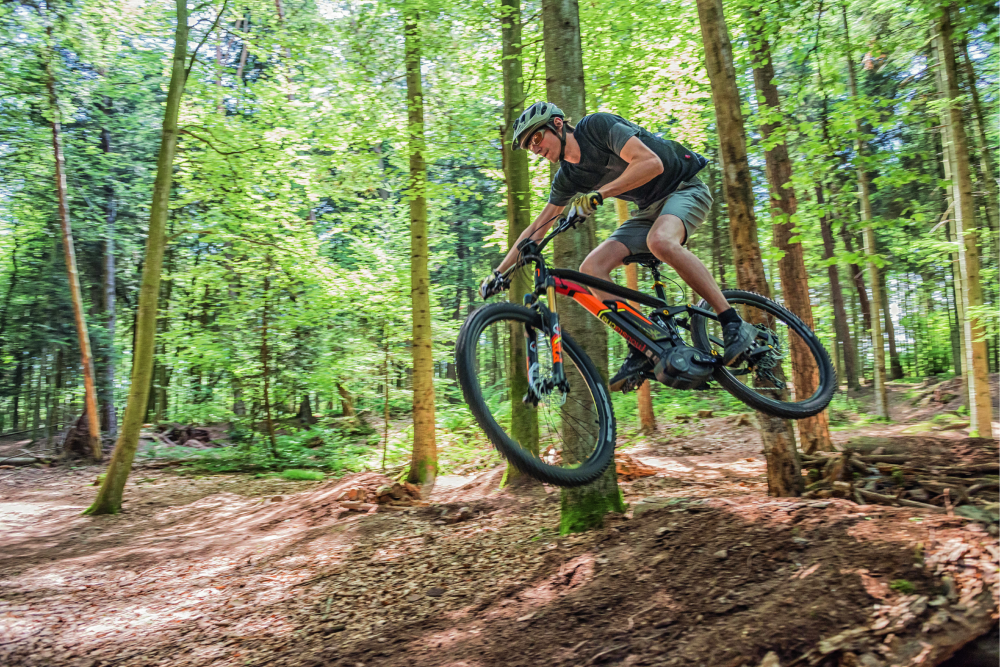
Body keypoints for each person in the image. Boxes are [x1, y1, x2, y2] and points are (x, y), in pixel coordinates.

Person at [479, 101, 758, 391]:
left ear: (558, 125)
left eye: (536, 138)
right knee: (591, 268)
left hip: (684, 188)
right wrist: (500, 272)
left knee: (660, 241)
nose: (534, 148)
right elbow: (538, 227)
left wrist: (599, 194)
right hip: (649, 210)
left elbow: (651, 163)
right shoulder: (568, 178)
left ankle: (732, 322)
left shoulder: (596, 127)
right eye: (528, 146)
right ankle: (643, 345)